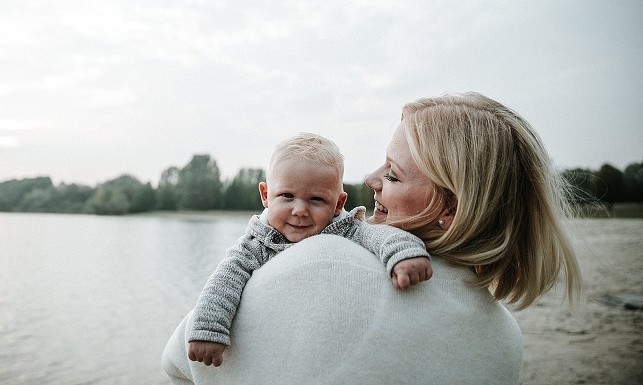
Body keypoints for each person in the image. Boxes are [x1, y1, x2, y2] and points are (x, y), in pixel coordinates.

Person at [162, 92, 581, 385]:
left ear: (450, 209)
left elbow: (177, 362)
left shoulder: (324, 261)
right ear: (267, 194)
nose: (371, 180)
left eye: (393, 174)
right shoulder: (505, 335)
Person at [187, 133, 433, 367]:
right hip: (278, 342)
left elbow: (380, 235)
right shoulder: (254, 245)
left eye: (316, 199)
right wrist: (209, 330)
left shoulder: (347, 230)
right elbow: (224, 282)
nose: (300, 210)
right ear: (265, 195)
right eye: (287, 196)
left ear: (338, 204)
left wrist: (404, 253)